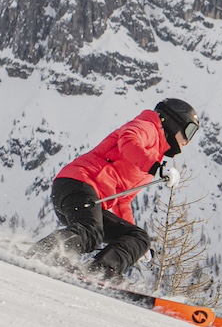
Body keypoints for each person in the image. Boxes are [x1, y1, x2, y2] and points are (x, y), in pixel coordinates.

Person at [35, 98, 200, 279]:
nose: (188, 141)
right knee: (91, 232)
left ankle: (100, 272)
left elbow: (123, 200)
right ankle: (43, 253)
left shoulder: (155, 154)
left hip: (90, 198)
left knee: (139, 237)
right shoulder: (148, 127)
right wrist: (155, 168)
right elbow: (128, 141)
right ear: (173, 121)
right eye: (188, 131)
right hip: (78, 183)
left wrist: (133, 246)